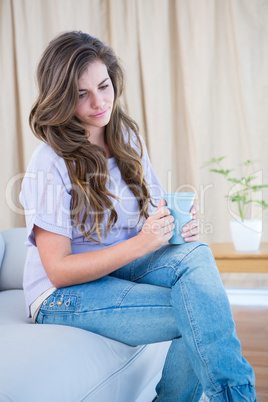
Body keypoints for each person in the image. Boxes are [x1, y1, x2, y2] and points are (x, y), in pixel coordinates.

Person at [20, 31, 256, 401]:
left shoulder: (126, 139)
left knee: (197, 256)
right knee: (196, 313)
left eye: (103, 85)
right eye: (82, 94)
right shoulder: (49, 161)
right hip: (59, 296)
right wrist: (141, 244)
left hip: (117, 268)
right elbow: (59, 270)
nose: (99, 102)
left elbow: (154, 212)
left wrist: (175, 227)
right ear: (63, 98)